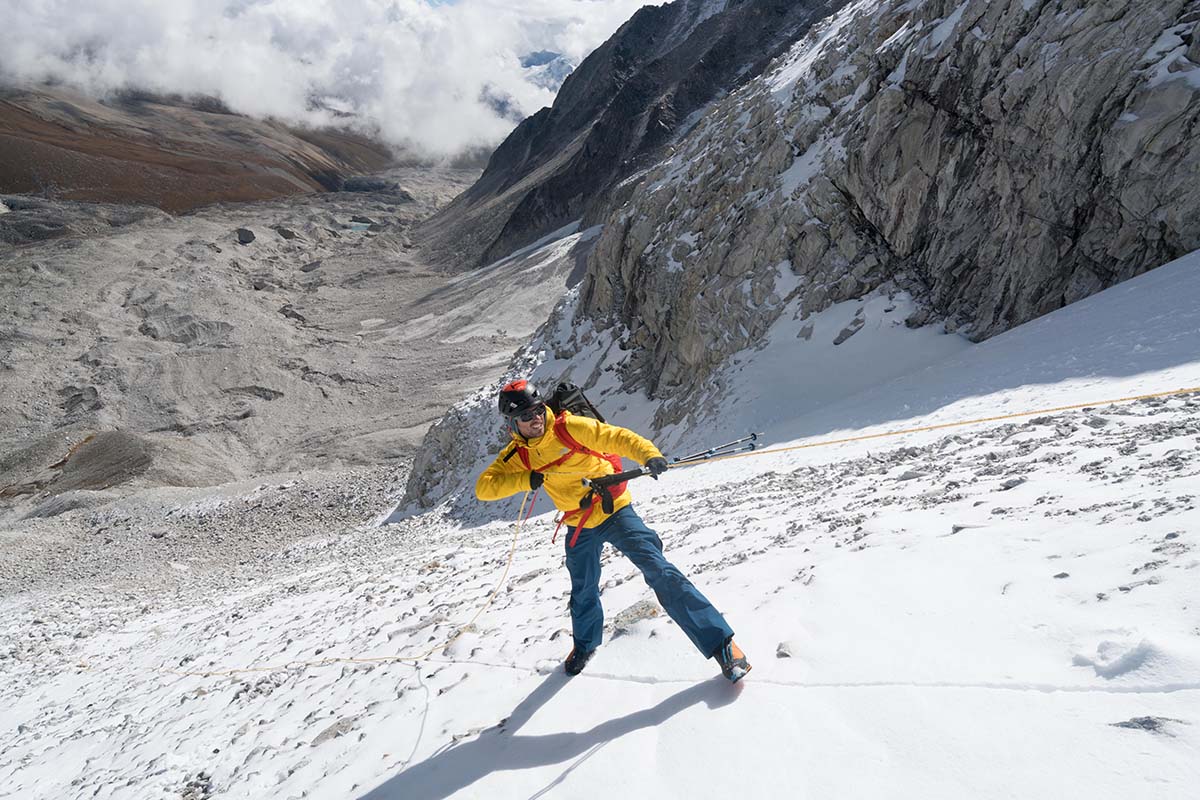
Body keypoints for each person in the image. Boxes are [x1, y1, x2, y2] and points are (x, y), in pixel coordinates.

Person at [475, 379, 751, 682]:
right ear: (513, 424)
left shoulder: (570, 428)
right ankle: (585, 645)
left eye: (539, 410)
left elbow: (618, 438)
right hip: (578, 522)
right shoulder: (518, 454)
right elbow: (484, 488)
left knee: (659, 571)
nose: (536, 418)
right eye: (527, 416)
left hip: (614, 510)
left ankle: (723, 645)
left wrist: (648, 455)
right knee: (583, 589)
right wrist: (524, 480)